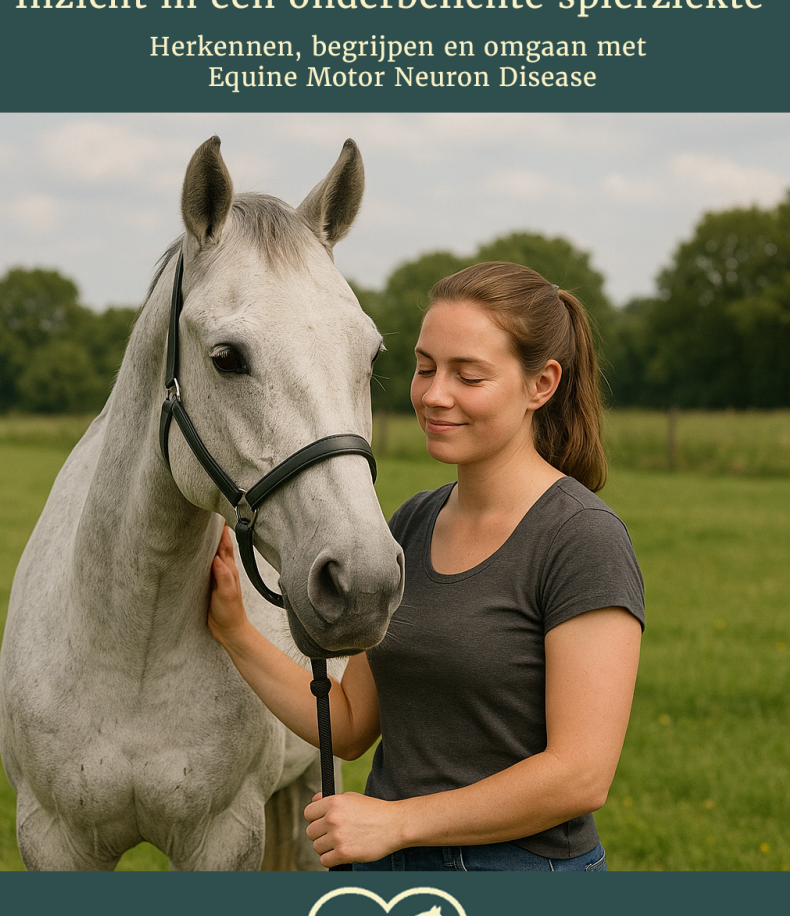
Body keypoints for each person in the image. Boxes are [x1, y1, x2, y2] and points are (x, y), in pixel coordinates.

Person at [208, 262, 644, 872]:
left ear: (540, 384)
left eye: (469, 376)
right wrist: (237, 633)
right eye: (423, 367)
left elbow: (579, 776)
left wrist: (398, 821)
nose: (435, 394)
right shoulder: (411, 524)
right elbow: (353, 722)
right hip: (391, 871)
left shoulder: (581, 540)